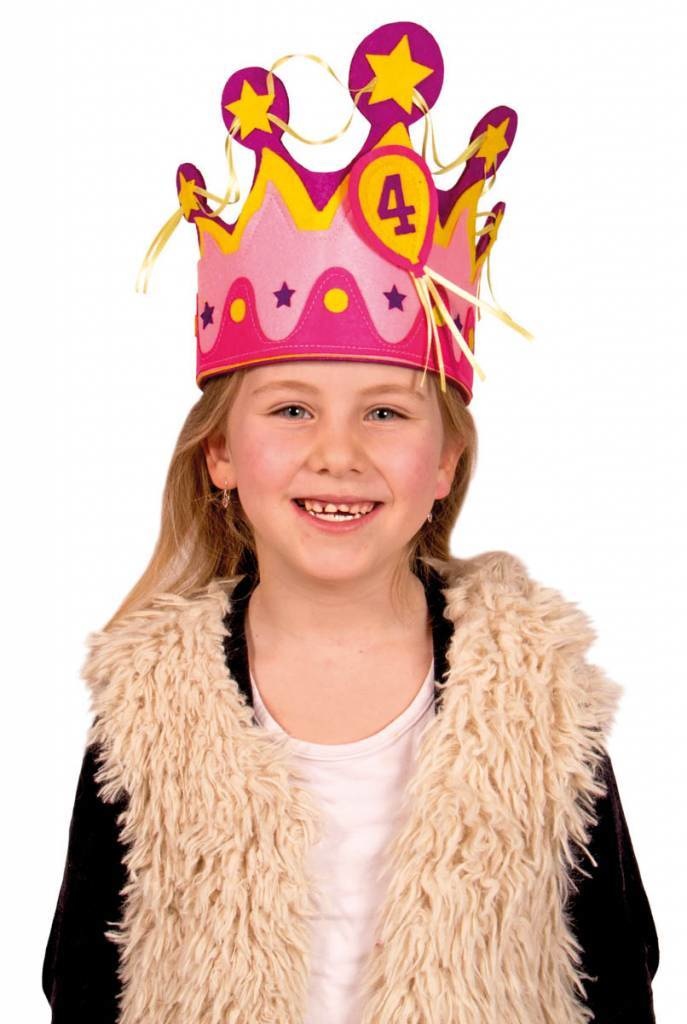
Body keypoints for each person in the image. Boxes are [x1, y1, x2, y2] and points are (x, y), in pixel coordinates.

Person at [41, 19, 659, 1024]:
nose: (338, 453)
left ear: (445, 460)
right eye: (291, 410)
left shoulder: (539, 694)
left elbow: (618, 971)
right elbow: (83, 983)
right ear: (220, 455)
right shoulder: (149, 704)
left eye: (385, 412)